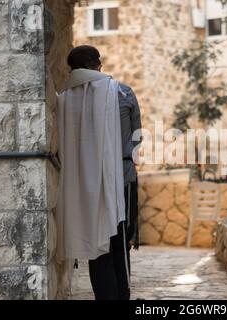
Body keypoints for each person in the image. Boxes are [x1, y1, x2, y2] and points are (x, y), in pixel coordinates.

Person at [55, 45, 142, 300]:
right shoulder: (122, 92)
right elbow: (136, 138)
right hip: (122, 179)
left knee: (97, 247)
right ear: (96, 64)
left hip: (83, 183)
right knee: (119, 245)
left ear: (72, 68)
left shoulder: (62, 99)